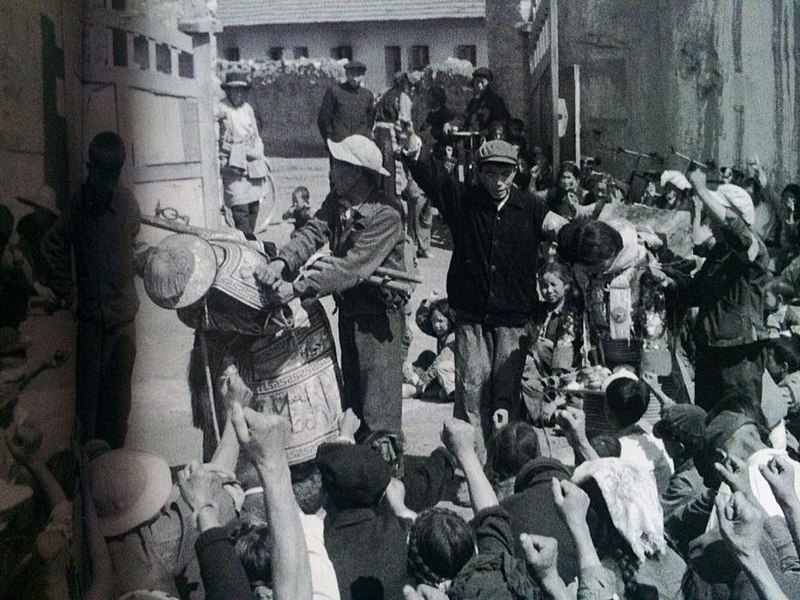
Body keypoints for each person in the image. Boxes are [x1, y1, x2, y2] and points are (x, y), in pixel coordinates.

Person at [403, 137, 566, 460]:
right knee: (471, 393)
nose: (498, 181)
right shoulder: (465, 200)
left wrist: (585, 239)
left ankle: (507, 467)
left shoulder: (530, 207)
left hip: (513, 321)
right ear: (479, 173)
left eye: (505, 173)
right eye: (491, 173)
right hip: (472, 319)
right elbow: (436, 179)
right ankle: (471, 469)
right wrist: (414, 152)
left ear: (515, 172)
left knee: (507, 399)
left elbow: (561, 229)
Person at [256, 134, 410, 441]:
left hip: (379, 320)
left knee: (378, 412)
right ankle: (357, 478)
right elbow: (312, 233)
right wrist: (281, 263)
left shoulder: (387, 214)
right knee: (352, 403)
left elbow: (348, 267)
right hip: (351, 312)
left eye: (337, 164)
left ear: (356, 172)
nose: (331, 169)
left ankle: (390, 481)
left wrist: (296, 287)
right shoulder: (339, 200)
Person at [41, 131, 140, 448]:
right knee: (89, 405)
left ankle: (116, 470)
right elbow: (52, 244)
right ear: (90, 168)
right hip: (92, 326)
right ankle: (87, 478)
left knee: (119, 401)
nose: (107, 184)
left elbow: (135, 237)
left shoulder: (126, 203)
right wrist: (65, 290)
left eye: (113, 177)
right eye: (101, 175)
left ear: (118, 173)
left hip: (124, 321)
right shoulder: (78, 205)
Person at [680, 168, 769, 415]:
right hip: (711, 352)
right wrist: (666, 278)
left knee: (738, 421)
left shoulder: (753, 248)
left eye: (714, 213)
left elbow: (740, 235)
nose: (710, 219)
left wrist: (701, 189)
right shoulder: (719, 252)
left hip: (737, 357)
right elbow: (695, 291)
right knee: (707, 421)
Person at [520, 260, 580, 424]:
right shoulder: (541, 310)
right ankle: (541, 413)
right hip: (541, 365)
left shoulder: (569, 312)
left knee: (539, 347)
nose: (548, 291)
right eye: (544, 286)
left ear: (566, 285)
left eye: (553, 285)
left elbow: (564, 348)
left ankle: (553, 402)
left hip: (562, 368)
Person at [217, 71, 269, 236]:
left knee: (253, 207)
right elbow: (215, 138)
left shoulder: (247, 109)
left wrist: (258, 151)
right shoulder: (219, 108)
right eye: (234, 89)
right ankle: (246, 246)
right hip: (233, 166)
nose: (238, 93)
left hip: (252, 165)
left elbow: (255, 134)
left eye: (241, 89)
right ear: (227, 90)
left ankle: (250, 246)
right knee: (240, 211)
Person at [403, 296, 456, 402]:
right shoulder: (441, 333)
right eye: (433, 320)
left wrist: (425, 380)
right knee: (427, 355)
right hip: (440, 373)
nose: (436, 325)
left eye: (441, 321)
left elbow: (439, 362)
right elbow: (421, 320)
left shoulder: (452, 337)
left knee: (440, 369)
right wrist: (427, 304)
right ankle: (413, 380)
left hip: (452, 374)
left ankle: (417, 389)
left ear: (450, 320)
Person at [317, 61, 375, 144]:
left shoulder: (367, 95)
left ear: (363, 76)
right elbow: (323, 118)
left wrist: (365, 135)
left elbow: (370, 120)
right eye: (352, 74)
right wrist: (328, 138)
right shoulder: (335, 91)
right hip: (339, 142)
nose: (355, 78)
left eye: (358, 75)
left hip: (360, 143)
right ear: (347, 74)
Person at [446, 67, 511, 139]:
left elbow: (502, 121)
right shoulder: (474, 102)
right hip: (473, 141)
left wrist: (490, 129)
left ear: (489, 83)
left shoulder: (495, 101)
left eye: (482, 82)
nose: (479, 86)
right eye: (477, 82)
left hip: (489, 142)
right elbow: (465, 117)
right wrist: (452, 125)